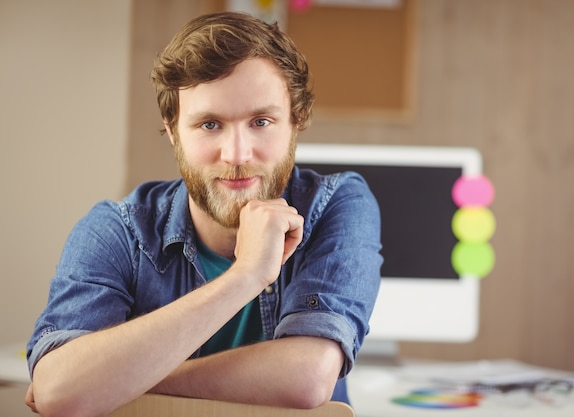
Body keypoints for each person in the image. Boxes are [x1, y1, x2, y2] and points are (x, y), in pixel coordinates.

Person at [25, 11, 382, 417]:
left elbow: (309, 377)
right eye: (210, 124)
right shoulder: (117, 231)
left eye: (261, 121)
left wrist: (117, 379)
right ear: (173, 130)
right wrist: (246, 275)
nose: (237, 154)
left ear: (296, 121)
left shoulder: (336, 205)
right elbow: (59, 393)